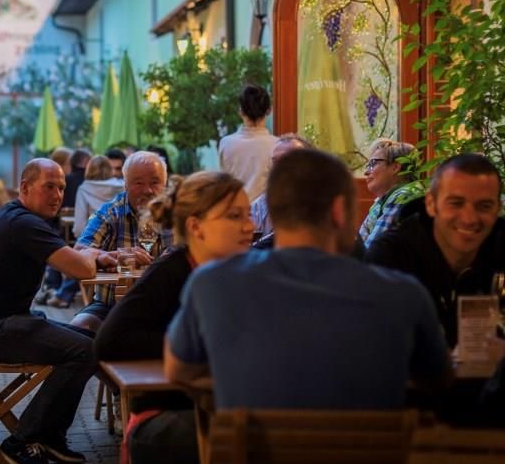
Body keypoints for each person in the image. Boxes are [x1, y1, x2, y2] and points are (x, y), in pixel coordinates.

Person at [165, 149, 450, 411]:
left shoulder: (212, 283)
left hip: (256, 461)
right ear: (339, 211)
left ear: (272, 211)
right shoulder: (404, 295)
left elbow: (178, 371)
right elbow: (438, 380)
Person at [0, 158, 116, 464]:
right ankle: (23, 441)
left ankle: (51, 437)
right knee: (85, 350)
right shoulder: (23, 223)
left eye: (62, 187)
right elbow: (80, 269)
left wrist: (98, 255)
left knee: (90, 342)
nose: (57, 195)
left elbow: (74, 257)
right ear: (25, 188)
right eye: (49, 187)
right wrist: (94, 254)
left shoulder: (20, 217)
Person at [95, 171, 254, 464]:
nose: (250, 226)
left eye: (248, 215)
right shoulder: (170, 271)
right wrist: (192, 345)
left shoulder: (238, 270)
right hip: (167, 415)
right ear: (196, 227)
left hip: (219, 404)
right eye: (235, 216)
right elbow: (107, 342)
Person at [366, 153, 505, 348]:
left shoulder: (500, 248)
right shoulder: (392, 257)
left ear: (498, 208)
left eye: (484, 206)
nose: (469, 218)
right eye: (456, 203)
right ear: (431, 204)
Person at [58, 151, 164, 328]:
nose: (148, 190)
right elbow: (78, 254)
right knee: (79, 326)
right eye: (138, 183)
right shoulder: (109, 213)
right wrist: (109, 255)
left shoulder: (178, 215)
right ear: (125, 185)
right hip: (111, 305)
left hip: (166, 303)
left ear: (165, 184)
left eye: (155, 182)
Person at [40, 155, 123, 308]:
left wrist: (82, 243)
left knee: (80, 254)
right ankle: (62, 294)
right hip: (120, 244)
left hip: (95, 242)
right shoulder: (121, 186)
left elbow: (79, 226)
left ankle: (62, 294)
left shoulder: (84, 188)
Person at [218, 84, 278, 202]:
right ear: (269, 110)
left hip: (235, 212)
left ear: (241, 111)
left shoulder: (226, 143)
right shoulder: (277, 145)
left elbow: (224, 184)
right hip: (266, 216)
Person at [358, 139, 422, 247]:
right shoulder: (381, 201)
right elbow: (359, 247)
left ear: (395, 167)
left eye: (373, 164)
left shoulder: (404, 196)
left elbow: (371, 251)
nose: (366, 172)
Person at [248, 133, 312, 238]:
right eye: (275, 161)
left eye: (287, 160)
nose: (278, 167)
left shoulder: (322, 203)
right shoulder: (259, 207)